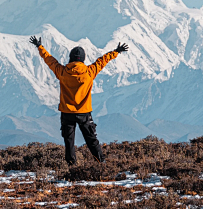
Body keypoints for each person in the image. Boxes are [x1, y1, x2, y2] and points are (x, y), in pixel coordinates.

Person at [29, 35, 129, 165]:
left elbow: (50, 60)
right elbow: (102, 61)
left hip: (67, 112)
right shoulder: (89, 72)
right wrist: (116, 52)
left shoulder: (63, 72)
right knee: (91, 139)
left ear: (70, 58)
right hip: (84, 112)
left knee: (69, 141)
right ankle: (101, 162)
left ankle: (71, 165)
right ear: (83, 59)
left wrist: (39, 47)